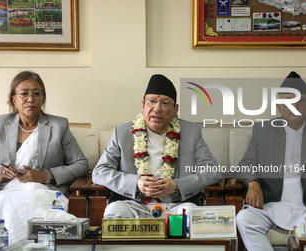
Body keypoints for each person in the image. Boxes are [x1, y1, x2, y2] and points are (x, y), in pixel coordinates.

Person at [92, 74, 222, 218]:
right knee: (113, 211)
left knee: (192, 214)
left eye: (165, 103)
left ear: (175, 110)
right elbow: (99, 172)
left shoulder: (192, 132)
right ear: (142, 105)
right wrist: (136, 183)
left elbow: (213, 171)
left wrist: (178, 186)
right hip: (135, 206)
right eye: (152, 101)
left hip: (176, 206)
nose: (157, 108)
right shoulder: (122, 132)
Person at [236, 71, 306, 251]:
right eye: (287, 100)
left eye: (300, 100)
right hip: (272, 206)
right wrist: (253, 183)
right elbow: (245, 165)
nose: (294, 105)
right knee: (243, 218)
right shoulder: (263, 130)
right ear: (279, 106)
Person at [0, 70, 88, 197]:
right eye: (24, 94)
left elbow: (81, 164)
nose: (30, 99)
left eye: (36, 94)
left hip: (45, 192)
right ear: (14, 99)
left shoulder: (59, 125)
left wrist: (45, 176)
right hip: (5, 192)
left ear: (43, 98)